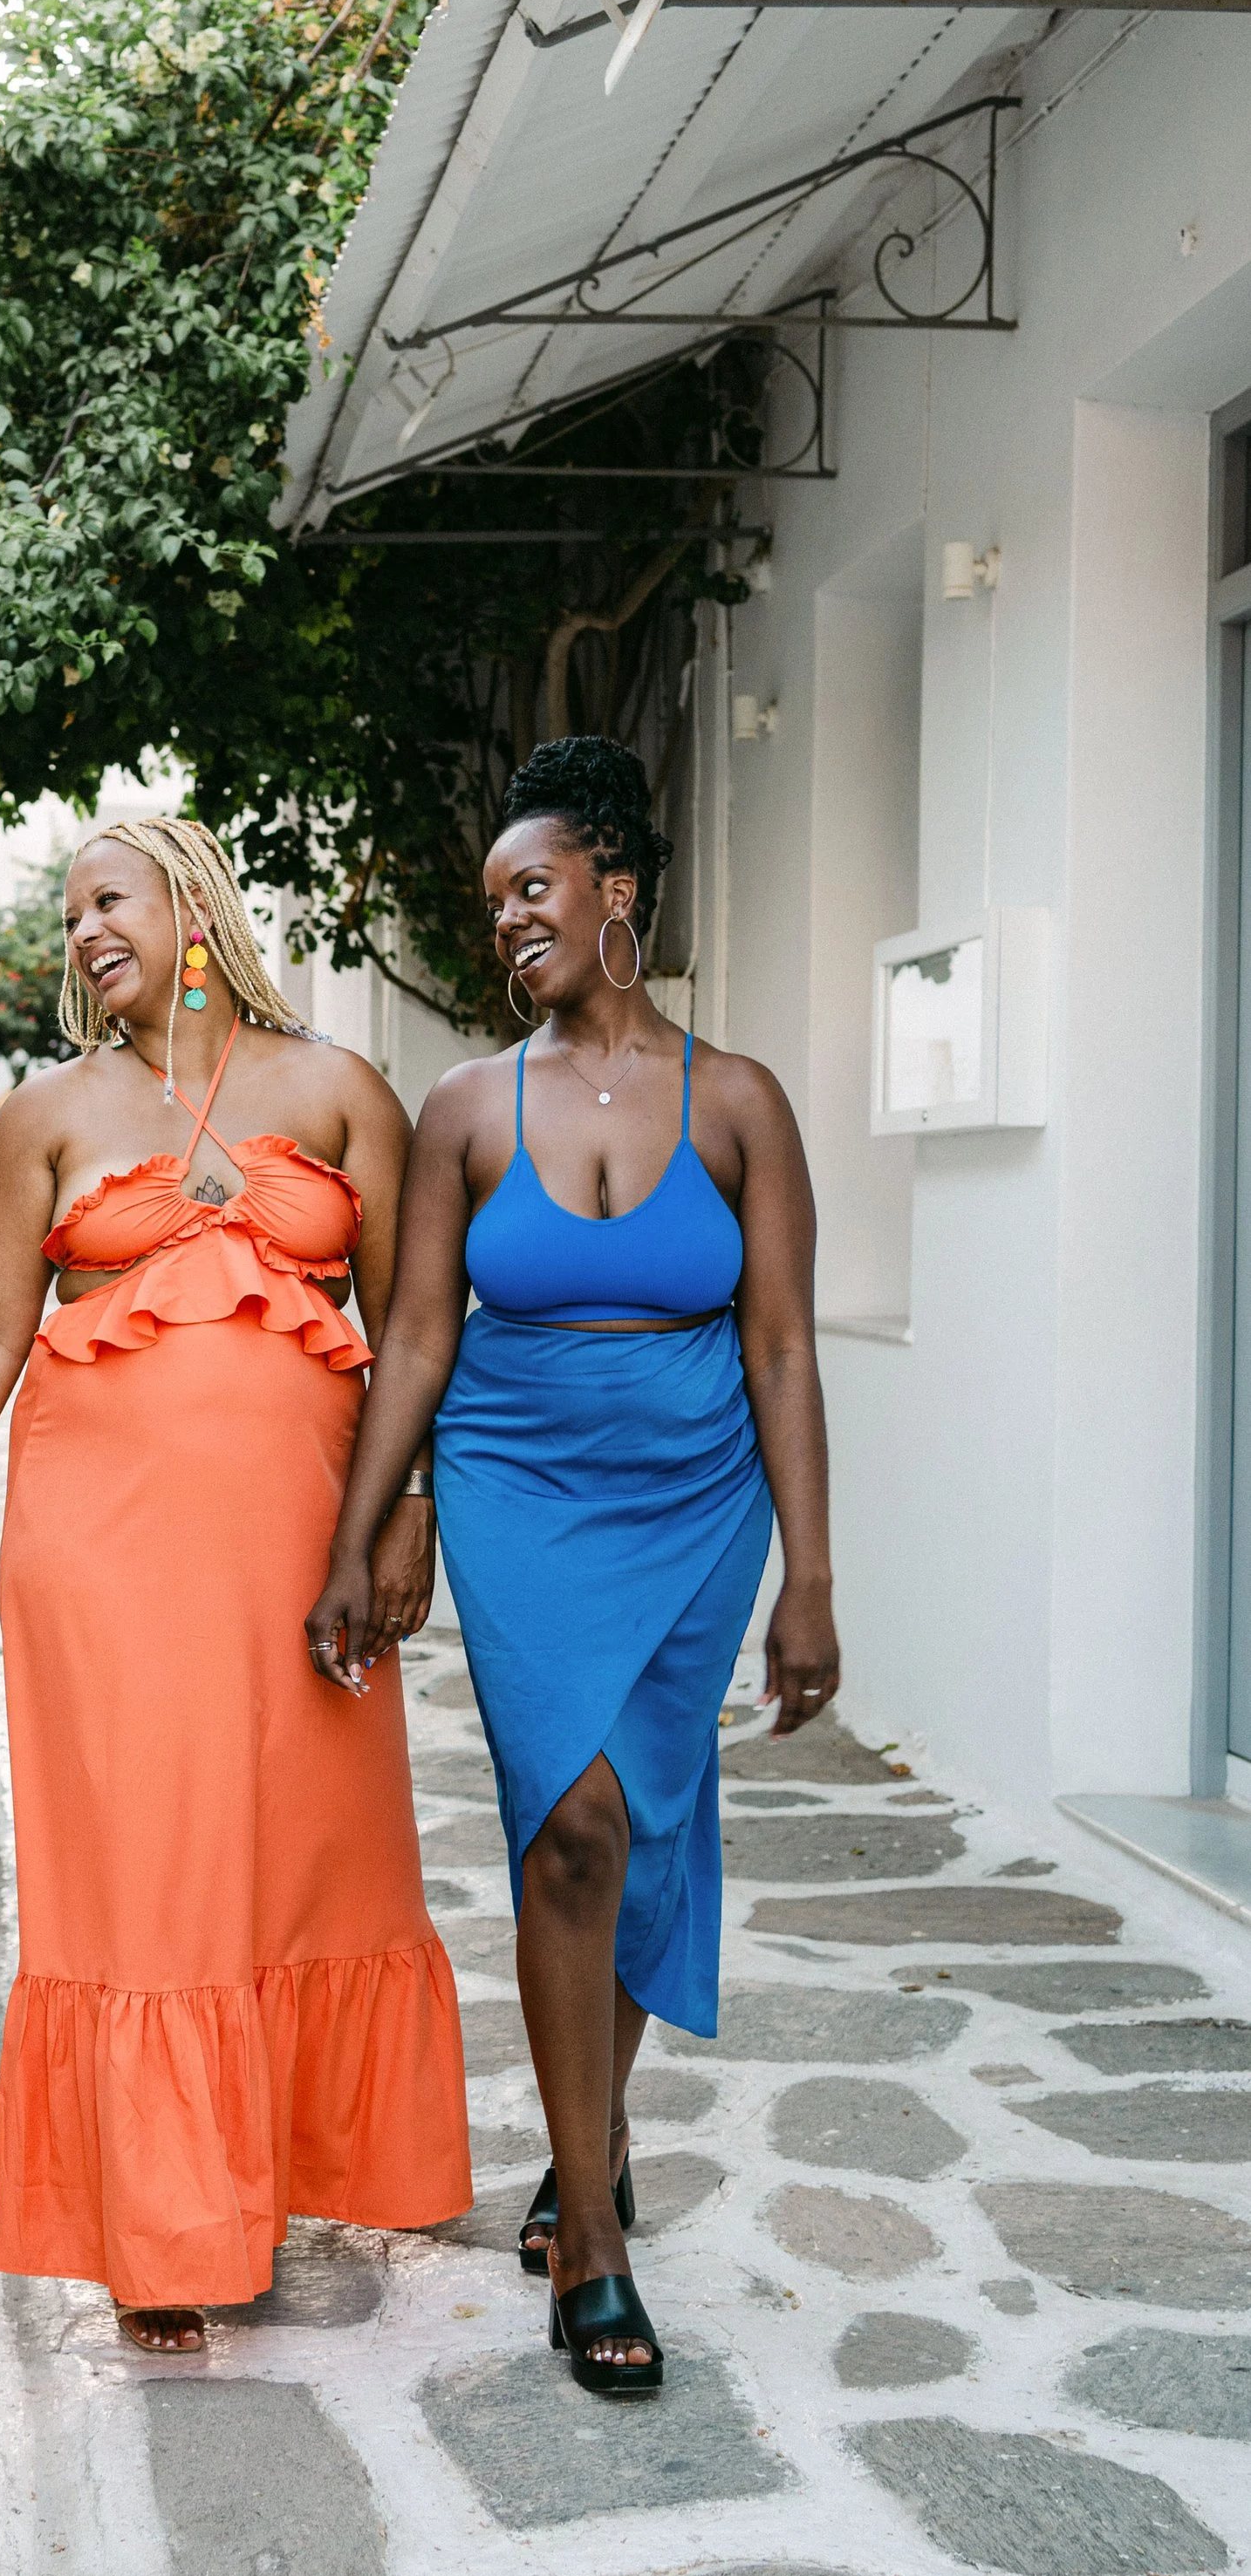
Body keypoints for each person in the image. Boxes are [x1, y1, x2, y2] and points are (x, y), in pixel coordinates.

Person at [0, 816, 471, 2350]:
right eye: (69, 914)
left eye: (107, 900)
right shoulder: (46, 1116)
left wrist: (407, 1509)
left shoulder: (339, 1091)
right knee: (144, 1870)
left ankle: (272, 2177)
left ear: (195, 906)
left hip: (301, 1550)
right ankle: (162, 2229)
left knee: (299, 1849)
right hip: (106, 1555)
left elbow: (410, 1323)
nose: (82, 932)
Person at [308, 739, 838, 2398]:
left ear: (617, 884)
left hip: (696, 1498)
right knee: (574, 1827)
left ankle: (588, 2152)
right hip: (521, 1488)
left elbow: (783, 1349)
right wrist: (357, 1535)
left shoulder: (738, 1101)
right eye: (492, 905)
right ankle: (595, 2240)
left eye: (531, 887)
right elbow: (410, 1338)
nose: (507, 922)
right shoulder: (467, 1106)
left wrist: (810, 1579)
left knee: (645, 1833)